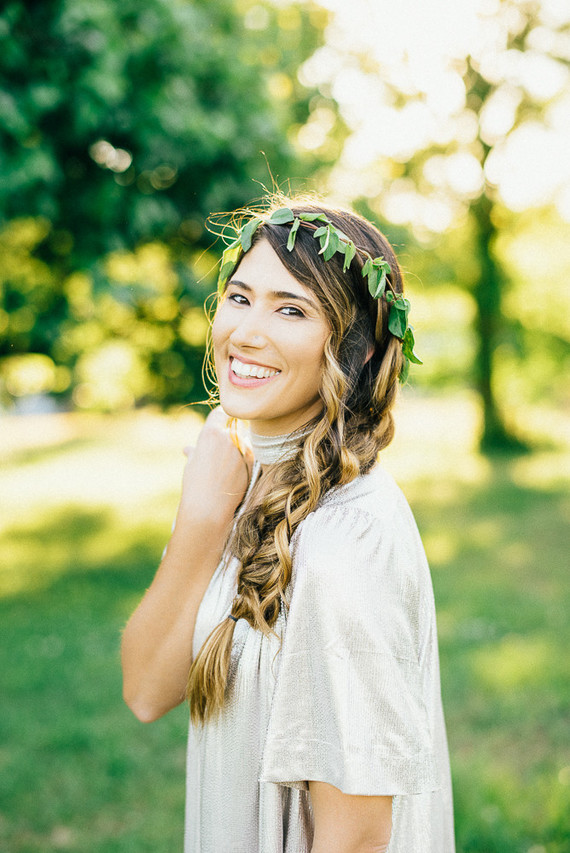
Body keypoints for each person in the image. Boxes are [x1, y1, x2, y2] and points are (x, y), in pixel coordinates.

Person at [121, 197, 455, 853]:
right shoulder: (232, 487)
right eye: (240, 297)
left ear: (355, 351)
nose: (245, 331)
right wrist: (202, 520)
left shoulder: (347, 538)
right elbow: (145, 689)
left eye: (291, 309)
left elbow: (356, 836)